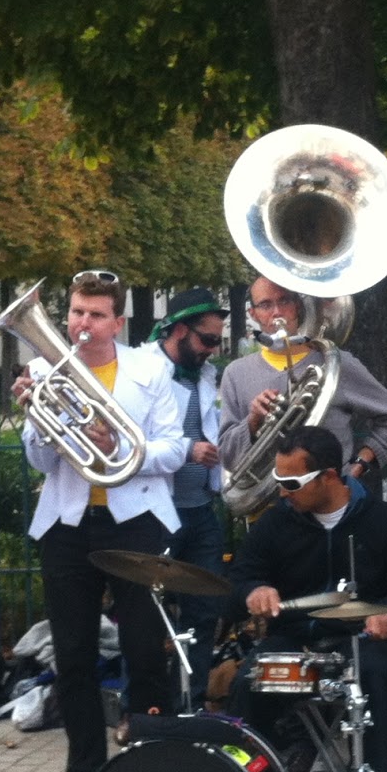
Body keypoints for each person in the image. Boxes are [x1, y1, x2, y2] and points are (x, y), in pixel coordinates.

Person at [17, 269, 191, 772]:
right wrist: (39, 421)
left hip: (136, 519)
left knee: (143, 650)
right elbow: (40, 463)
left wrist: (120, 444)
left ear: (118, 322)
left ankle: (149, 765)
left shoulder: (151, 369)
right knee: (72, 657)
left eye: (95, 315)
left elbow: (174, 451)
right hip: (68, 525)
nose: (83, 324)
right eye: (75, 313)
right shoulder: (45, 369)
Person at [234, 426, 387, 772]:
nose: (281, 491)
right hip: (291, 638)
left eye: (292, 483)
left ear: (327, 476)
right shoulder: (276, 522)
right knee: (247, 681)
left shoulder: (381, 521)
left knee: (377, 673)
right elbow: (243, 574)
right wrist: (254, 589)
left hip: (357, 638)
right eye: (279, 480)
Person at [218, 274, 387, 497]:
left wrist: (357, 466)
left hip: (331, 501)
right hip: (268, 509)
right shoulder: (236, 373)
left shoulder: (336, 363)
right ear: (254, 314)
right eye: (266, 305)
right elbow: (227, 457)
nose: (277, 312)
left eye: (284, 301)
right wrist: (252, 422)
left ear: (297, 305)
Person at [146, 287, 228, 704]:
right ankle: (143, 706)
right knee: (147, 615)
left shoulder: (205, 373)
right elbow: (131, 443)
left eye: (218, 341)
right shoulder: (143, 370)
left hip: (200, 510)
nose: (213, 350)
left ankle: (190, 705)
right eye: (207, 340)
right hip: (158, 512)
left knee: (203, 612)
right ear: (179, 330)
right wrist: (188, 449)